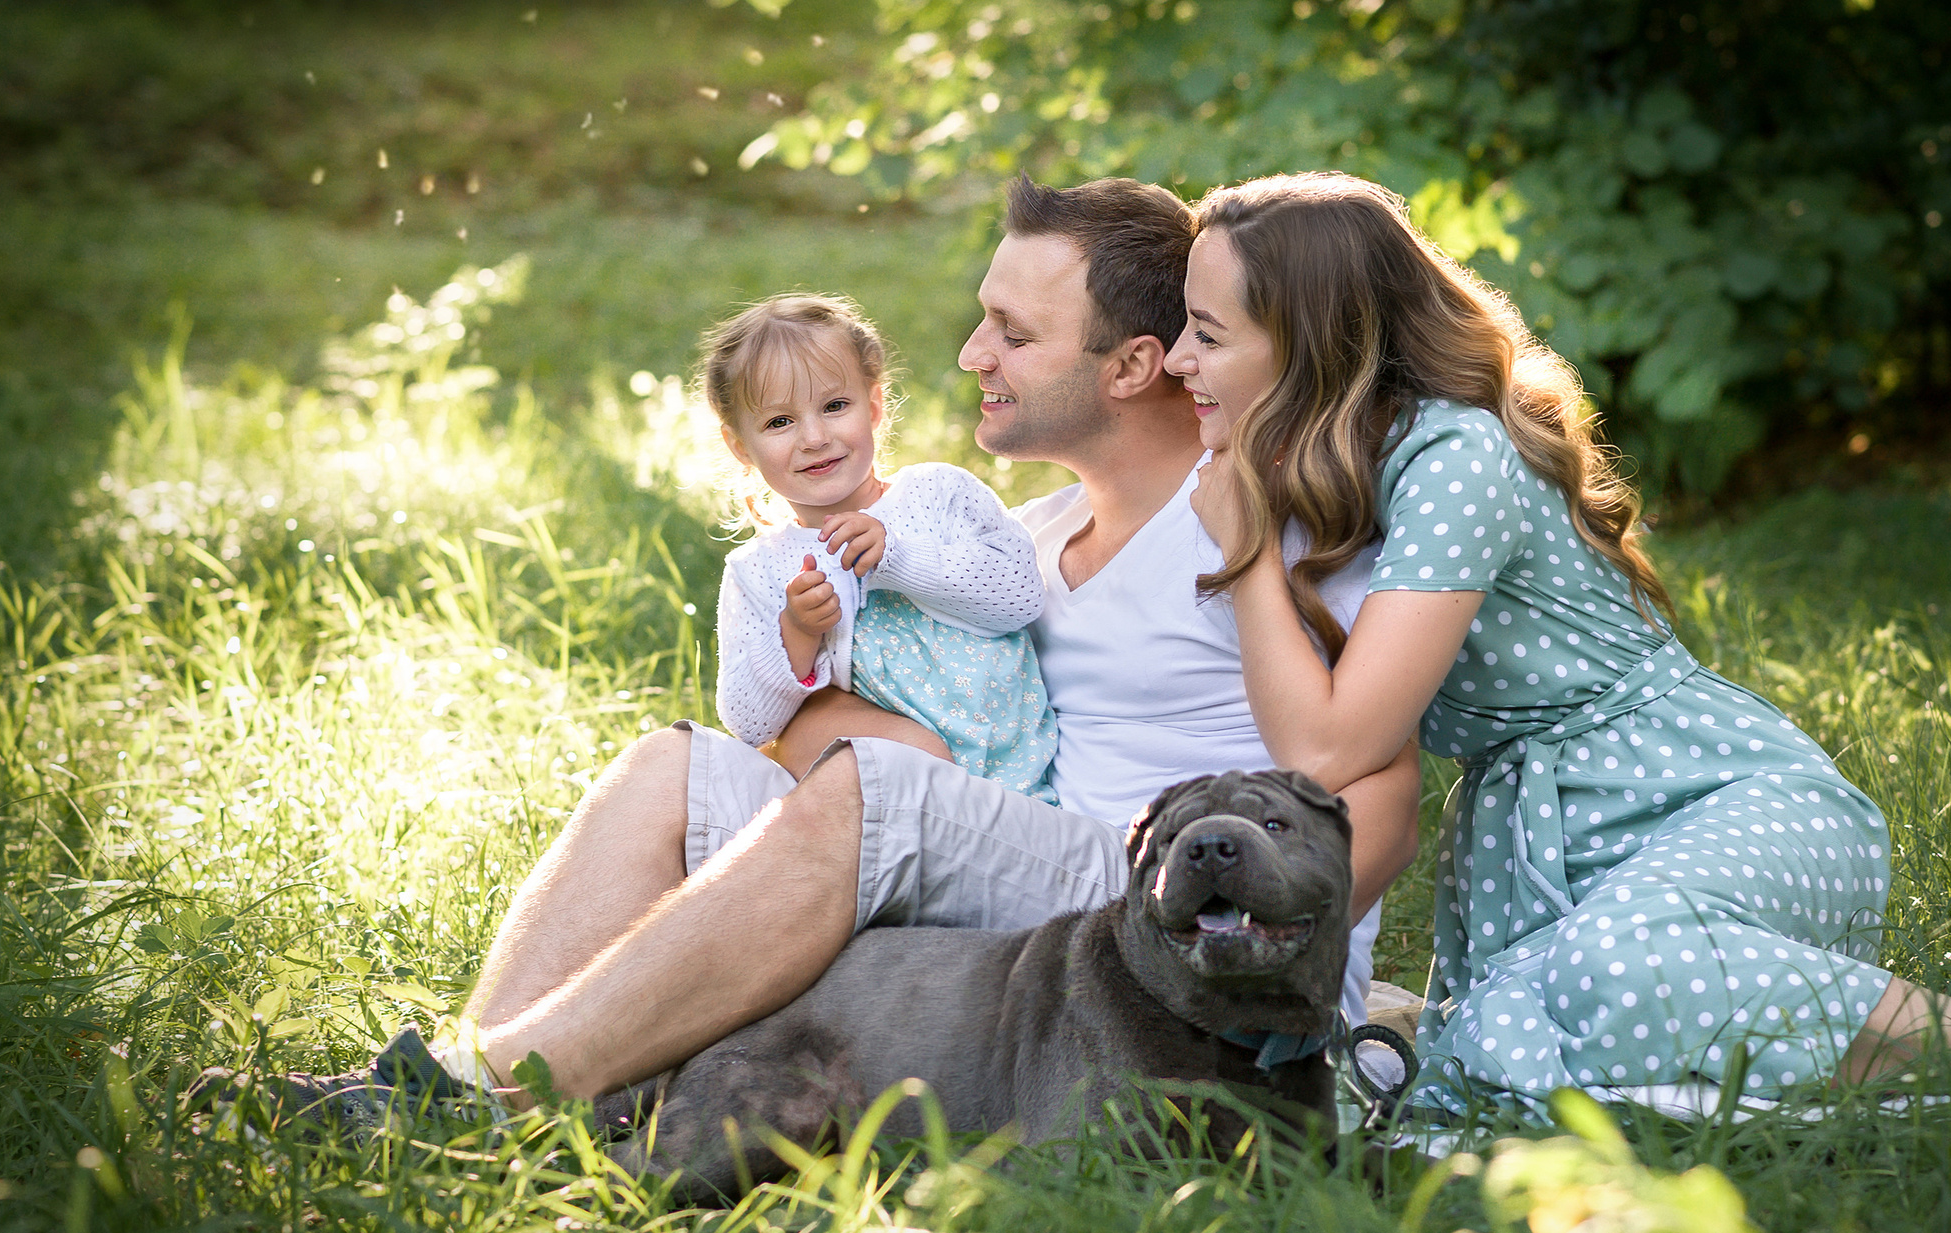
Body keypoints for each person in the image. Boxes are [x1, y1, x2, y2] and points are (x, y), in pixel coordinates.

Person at [203, 177, 1423, 1129]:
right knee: (671, 766)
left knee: (880, 799)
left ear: (1135, 363)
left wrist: (1281, 967)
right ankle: (449, 1092)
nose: (969, 357)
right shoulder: (1026, 541)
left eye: (1010, 331)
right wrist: (815, 712)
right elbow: (874, 713)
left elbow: (1374, 776)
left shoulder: (1270, 518)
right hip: (1013, 867)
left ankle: (488, 1097)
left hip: (1146, 900)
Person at [1167, 171, 1951, 1115]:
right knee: (1495, 1058)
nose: (1177, 358)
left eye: (1206, 335)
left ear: (1312, 349)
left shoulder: (1454, 458)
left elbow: (1333, 749)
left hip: (1720, 801)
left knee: (1616, 969)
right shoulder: (1341, 460)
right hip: (1560, 855)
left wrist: (1246, 552)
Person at [703, 292, 1055, 801]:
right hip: (886, 805)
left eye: (834, 406)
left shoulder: (937, 493)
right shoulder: (758, 570)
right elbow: (749, 723)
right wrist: (797, 633)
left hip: (1017, 780)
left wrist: (898, 558)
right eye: (779, 421)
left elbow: (1020, 596)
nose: (814, 437)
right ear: (741, 446)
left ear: (873, 407)